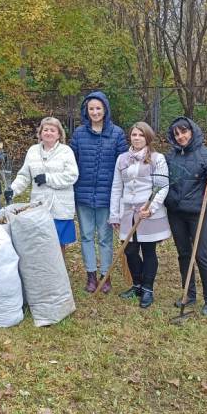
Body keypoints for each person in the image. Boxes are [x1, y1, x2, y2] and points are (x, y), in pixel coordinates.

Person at [164, 116, 207, 316]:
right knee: (184, 254)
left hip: (199, 213)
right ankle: (189, 294)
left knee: (201, 255)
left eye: (184, 132)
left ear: (192, 131)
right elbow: (163, 182)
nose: (180, 137)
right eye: (176, 134)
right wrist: (169, 200)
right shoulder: (170, 157)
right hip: (176, 213)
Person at [70, 90, 128, 293]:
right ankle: (91, 276)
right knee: (86, 235)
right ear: (86, 111)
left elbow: (124, 165)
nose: (95, 112)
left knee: (105, 237)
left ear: (105, 109)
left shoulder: (117, 134)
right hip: (83, 194)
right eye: (91, 109)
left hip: (107, 195)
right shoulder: (79, 134)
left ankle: (105, 274)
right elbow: (71, 163)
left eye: (98, 108)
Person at [109, 122, 170, 308]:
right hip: (128, 212)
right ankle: (137, 285)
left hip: (148, 212)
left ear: (147, 137)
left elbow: (162, 186)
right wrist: (114, 214)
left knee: (149, 250)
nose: (136, 138)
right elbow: (117, 187)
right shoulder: (122, 159)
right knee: (130, 250)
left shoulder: (157, 158)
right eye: (134, 134)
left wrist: (151, 208)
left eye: (141, 135)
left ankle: (147, 289)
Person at [5, 117, 78, 254]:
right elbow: (24, 176)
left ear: (59, 134)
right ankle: (43, 268)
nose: (48, 133)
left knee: (59, 243)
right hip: (39, 205)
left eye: (52, 130)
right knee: (40, 242)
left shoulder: (66, 151)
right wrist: (13, 190)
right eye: (45, 130)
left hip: (60, 206)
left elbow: (72, 175)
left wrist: (47, 178)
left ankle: (59, 268)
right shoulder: (33, 151)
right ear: (40, 133)